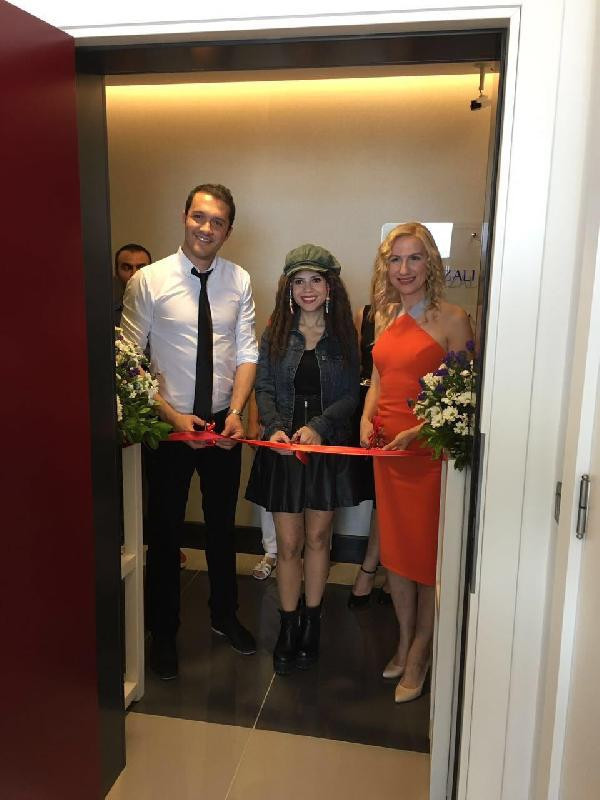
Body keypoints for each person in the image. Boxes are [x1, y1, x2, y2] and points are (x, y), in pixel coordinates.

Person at [121, 184, 258, 680]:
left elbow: (247, 351)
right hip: (170, 427)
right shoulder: (149, 281)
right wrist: (173, 417)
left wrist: (237, 411)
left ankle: (225, 615)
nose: (206, 228)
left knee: (222, 528)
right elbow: (129, 361)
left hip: (223, 422)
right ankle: (163, 632)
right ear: (184, 217)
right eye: (199, 217)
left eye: (217, 221)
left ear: (228, 230)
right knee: (165, 531)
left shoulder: (239, 280)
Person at [360, 222, 473, 702]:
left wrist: (420, 431)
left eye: (414, 258)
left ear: (431, 264)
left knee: (426, 558)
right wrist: (366, 418)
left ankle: (421, 651)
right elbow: (379, 379)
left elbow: (465, 398)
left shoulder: (454, 319)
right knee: (397, 558)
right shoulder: (385, 315)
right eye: (395, 259)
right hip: (388, 453)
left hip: (427, 456)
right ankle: (404, 640)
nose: (403, 269)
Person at [246, 244, 360, 675]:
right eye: (298, 281)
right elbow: (264, 387)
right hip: (284, 449)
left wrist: (319, 427)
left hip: (324, 448)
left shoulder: (344, 334)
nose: (307, 289)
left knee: (318, 538)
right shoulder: (276, 332)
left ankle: (313, 622)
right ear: (288, 287)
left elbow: (351, 395)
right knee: (288, 543)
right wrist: (274, 427)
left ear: (330, 286)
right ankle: (288, 625)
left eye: (315, 280)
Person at [347, 304, 390, 608]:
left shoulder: (432, 317)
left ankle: (373, 567)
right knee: (375, 491)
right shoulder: (366, 315)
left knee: (387, 495)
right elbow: (355, 365)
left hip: (401, 406)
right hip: (366, 407)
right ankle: (378, 566)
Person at [246, 393, 278, 580]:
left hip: (315, 418)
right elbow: (258, 382)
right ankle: (271, 551)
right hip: (272, 415)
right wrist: (252, 420)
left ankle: (316, 553)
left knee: (317, 489)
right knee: (270, 486)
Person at [113, 243, 152, 325]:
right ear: (116, 272)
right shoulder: (106, 313)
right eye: (126, 268)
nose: (134, 274)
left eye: (141, 268)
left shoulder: (164, 310)